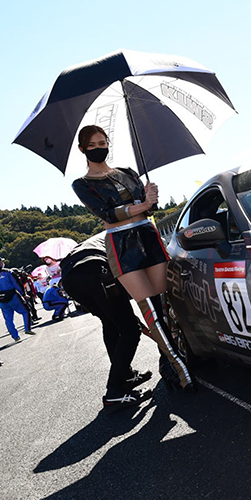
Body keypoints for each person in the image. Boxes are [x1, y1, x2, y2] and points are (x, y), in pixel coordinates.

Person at [71, 125, 195, 393]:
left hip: (148, 235)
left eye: (102, 143)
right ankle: (180, 367)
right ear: (82, 149)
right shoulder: (82, 184)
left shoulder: (127, 172)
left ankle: (167, 361)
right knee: (149, 309)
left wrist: (151, 197)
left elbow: (149, 208)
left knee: (164, 306)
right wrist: (142, 205)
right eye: (92, 145)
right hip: (121, 243)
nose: (99, 148)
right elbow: (107, 214)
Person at [62, 232, 152, 413]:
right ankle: (114, 392)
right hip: (94, 270)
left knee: (110, 323)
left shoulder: (106, 235)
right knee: (130, 330)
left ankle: (125, 376)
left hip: (70, 276)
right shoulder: (129, 235)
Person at [0, 256, 35, 342]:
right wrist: (24, 294)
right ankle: (27, 328)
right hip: (13, 296)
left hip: (1, 300)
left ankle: (15, 336)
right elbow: (17, 283)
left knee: (8, 318)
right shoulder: (8, 272)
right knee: (26, 311)